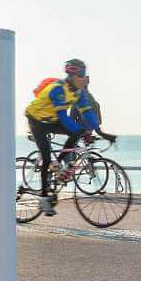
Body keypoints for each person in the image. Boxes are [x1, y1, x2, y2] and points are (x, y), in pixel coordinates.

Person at [23, 59, 98, 215]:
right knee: (46, 158)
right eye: (82, 74)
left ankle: (60, 164)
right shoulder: (58, 89)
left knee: (76, 133)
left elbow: (88, 113)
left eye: (85, 74)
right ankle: (43, 199)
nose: (85, 78)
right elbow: (63, 117)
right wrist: (80, 130)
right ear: (72, 75)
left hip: (51, 120)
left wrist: (100, 131)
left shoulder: (78, 92)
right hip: (36, 121)